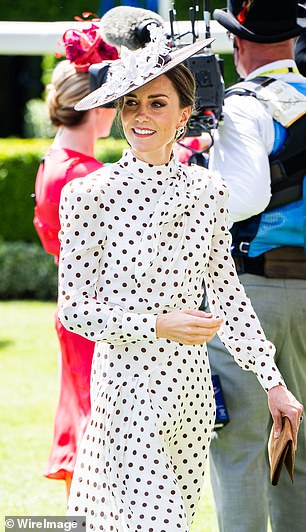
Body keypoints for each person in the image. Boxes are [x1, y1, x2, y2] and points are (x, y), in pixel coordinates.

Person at [57, 25, 302, 531]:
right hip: (127, 388)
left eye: (156, 103)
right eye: (131, 105)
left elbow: (228, 294)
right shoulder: (89, 193)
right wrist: (157, 323)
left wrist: (274, 384)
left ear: (185, 114)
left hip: (190, 396)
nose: (140, 117)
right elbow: (74, 310)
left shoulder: (209, 189)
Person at [207, 1, 306, 531]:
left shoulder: (242, 105)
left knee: (241, 445)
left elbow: (241, 198)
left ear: (239, 45)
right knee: (304, 450)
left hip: (252, 289)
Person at [33, 20, 119, 497]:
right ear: (99, 106)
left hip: (71, 310)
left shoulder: (53, 164)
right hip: (97, 315)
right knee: (100, 434)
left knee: (87, 423)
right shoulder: (86, 176)